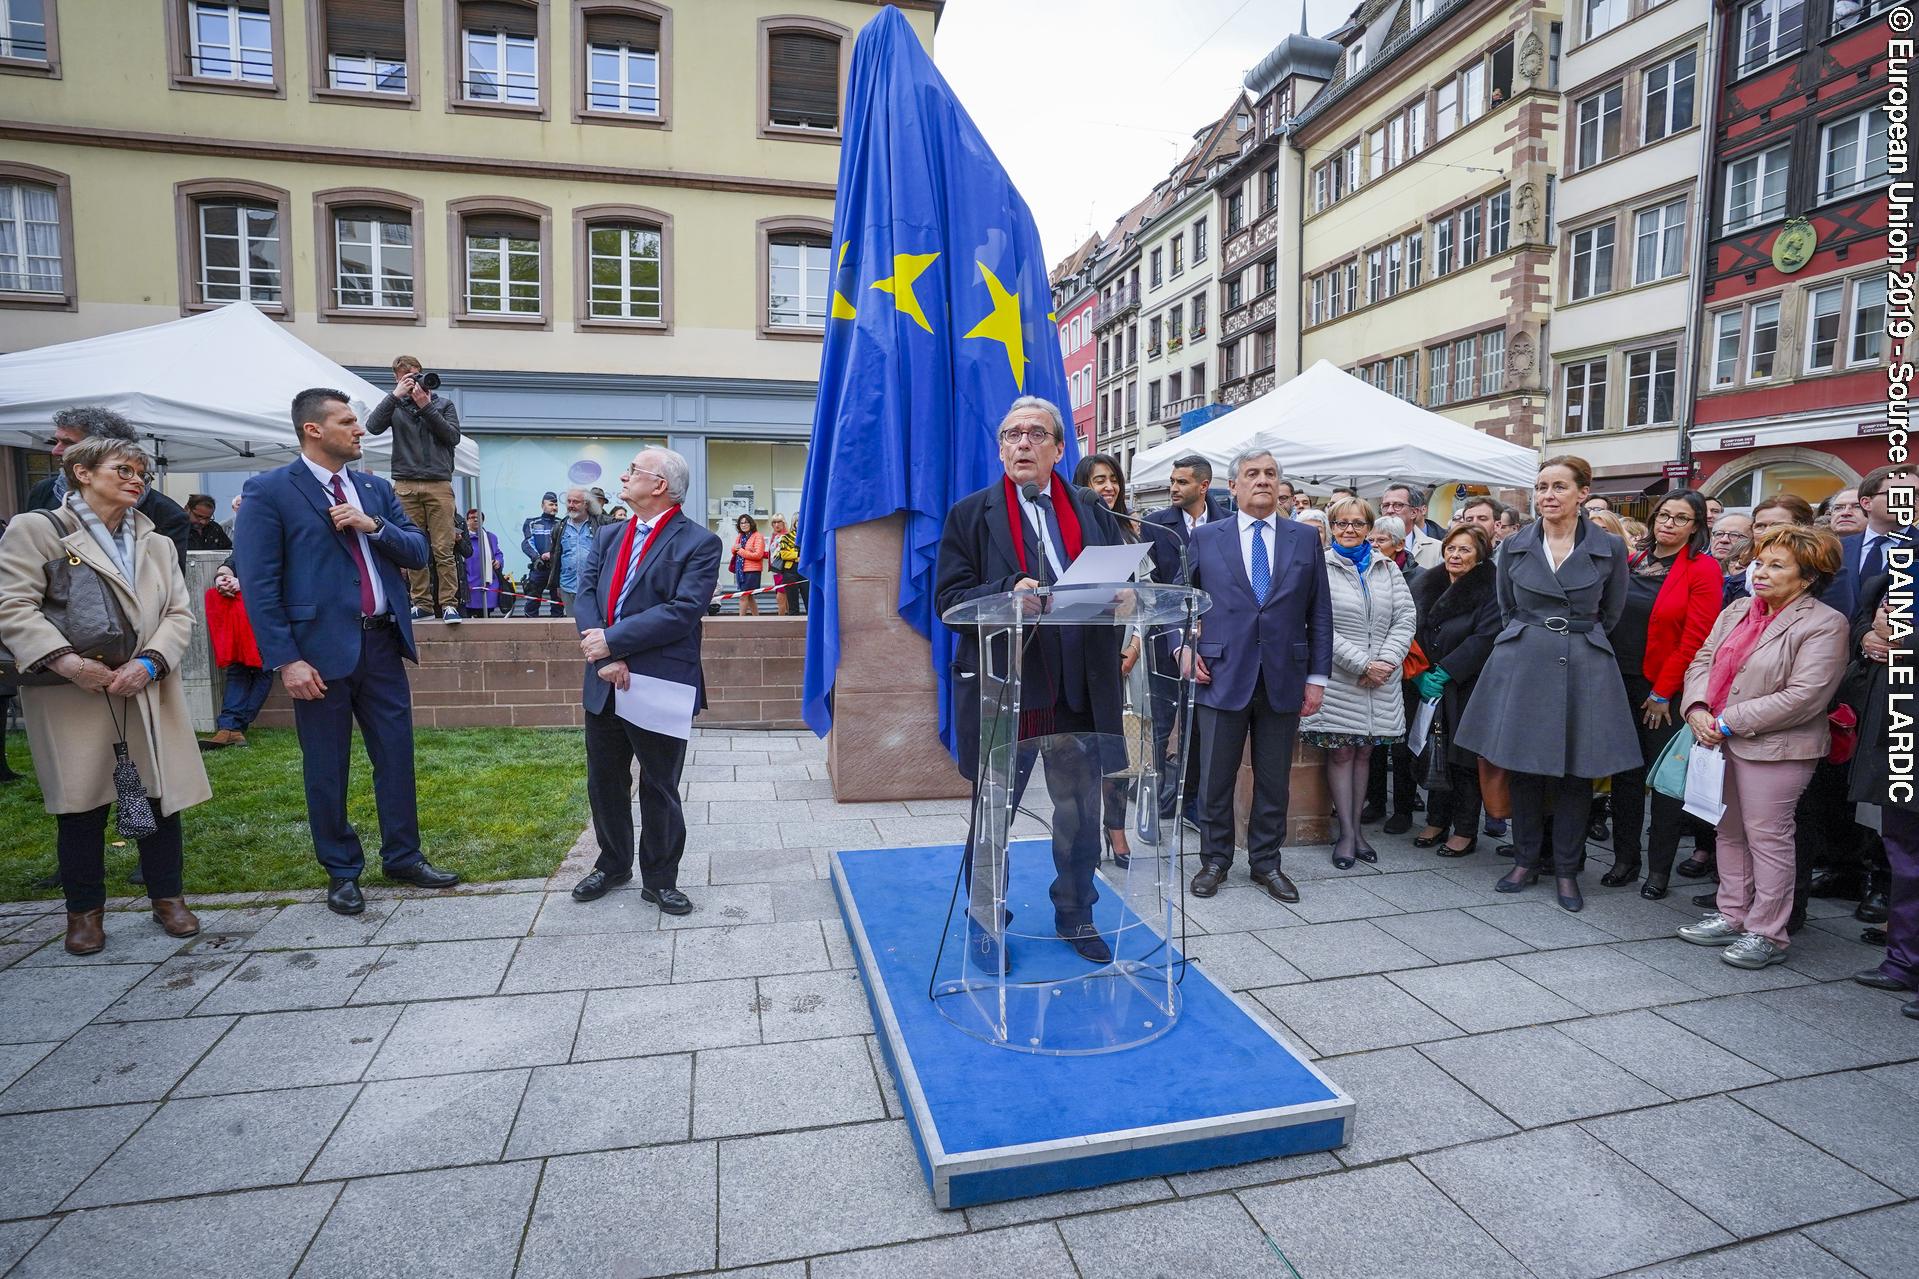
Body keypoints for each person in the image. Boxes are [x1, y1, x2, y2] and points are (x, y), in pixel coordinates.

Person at [234, 388, 460, 916]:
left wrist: (373, 525)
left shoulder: (374, 489)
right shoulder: (270, 491)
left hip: (381, 644)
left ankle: (403, 857)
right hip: (317, 656)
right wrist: (287, 659)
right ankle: (341, 870)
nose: (360, 430)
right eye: (348, 422)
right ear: (313, 429)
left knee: (396, 758)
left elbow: (419, 548)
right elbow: (259, 585)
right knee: (327, 766)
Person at [934, 396, 1127, 962]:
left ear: (1059, 449)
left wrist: (1123, 597)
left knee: (1078, 815)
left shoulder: (1092, 511)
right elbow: (948, 601)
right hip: (1009, 692)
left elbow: (1116, 582)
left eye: (1036, 434)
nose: (1023, 443)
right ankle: (986, 921)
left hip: (1079, 692)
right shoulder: (971, 514)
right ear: (1000, 448)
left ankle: (1076, 912)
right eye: (1013, 434)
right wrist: (1005, 595)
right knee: (994, 817)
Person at [0, 435, 209, 954]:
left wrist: (150, 662)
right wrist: (69, 664)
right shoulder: (39, 529)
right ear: (82, 472)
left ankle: (168, 898)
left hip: (145, 686)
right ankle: (85, 913)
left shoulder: (156, 541)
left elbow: (179, 614)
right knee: (81, 802)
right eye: (124, 469)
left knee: (160, 794)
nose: (137, 479)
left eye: (142, 472)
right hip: (69, 690)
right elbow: (11, 605)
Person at [1458, 455, 1640, 913]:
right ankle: (1524, 860)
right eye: (1541, 487)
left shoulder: (1610, 548)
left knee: (1576, 775)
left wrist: (1578, 641)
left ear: (1583, 492)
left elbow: (1612, 612)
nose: (1548, 496)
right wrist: (1533, 640)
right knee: (1522, 768)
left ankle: (1566, 869)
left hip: (1583, 664)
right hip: (1525, 660)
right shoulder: (1516, 545)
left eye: (1559, 486)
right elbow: (1506, 607)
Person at [1676, 526, 1849, 969]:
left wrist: (1726, 721)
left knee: (1769, 838)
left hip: (1778, 748)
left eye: (1777, 565)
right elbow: (1702, 658)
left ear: (1807, 577)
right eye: (1760, 562)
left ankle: (1768, 932)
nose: (1761, 572)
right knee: (1728, 830)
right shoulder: (1736, 610)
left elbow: (1805, 696)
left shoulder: (1824, 623)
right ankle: (1732, 913)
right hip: (1717, 737)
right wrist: (1695, 707)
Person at [569, 447, 720, 916]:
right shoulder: (608, 535)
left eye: (634, 470)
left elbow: (682, 611)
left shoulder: (699, 542)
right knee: (605, 782)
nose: (624, 475)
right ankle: (613, 864)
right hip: (605, 679)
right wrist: (603, 659)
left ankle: (660, 878)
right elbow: (586, 594)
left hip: (658, 683)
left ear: (660, 485)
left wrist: (613, 643)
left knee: (659, 785)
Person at [1184, 449, 1332, 905]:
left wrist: (1318, 678)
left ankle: (1266, 863)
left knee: (1273, 778)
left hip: (1284, 676)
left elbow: (1319, 613)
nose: (1262, 480)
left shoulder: (1304, 539)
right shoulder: (1207, 537)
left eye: (1270, 473)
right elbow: (1181, 602)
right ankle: (1214, 860)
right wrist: (1182, 648)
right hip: (1221, 672)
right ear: (1234, 486)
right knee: (1215, 778)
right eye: (1252, 474)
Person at [1599, 490, 1722, 899]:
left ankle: (1659, 871)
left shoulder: (1702, 569)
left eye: (1680, 518)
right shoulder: (1634, 560)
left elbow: (1695, 639)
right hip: (1619, 682)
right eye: (1664, 515)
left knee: (1665, 782)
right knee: (1626, 778)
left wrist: (1662, 692)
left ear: (1696, 526)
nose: (1668, 524)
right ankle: (1624, 860)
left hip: (1664, 689)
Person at [1301, 498, 1415, 868]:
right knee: (1342, 752)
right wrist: (1363, 663)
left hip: (1381, 679)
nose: (1350, 530)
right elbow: (1318, 623)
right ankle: (1348, 834)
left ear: (1369, 527)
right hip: (1341, 677)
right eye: (1342, 523)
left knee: (1366, 753)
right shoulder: (1321, 566)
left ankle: (1358, 831)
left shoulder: (1387, 568)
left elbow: (1405, 617)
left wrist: (1384, 662)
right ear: (1332, 527)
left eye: (1358, 523)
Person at [1847, 570, 1918, 1018]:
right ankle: (1904, 961)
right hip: (1901, 722)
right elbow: (1863, 622)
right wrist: (1872, 634)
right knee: (1905, 853)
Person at [1144, 453, 1228, 829]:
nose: (1173, 488)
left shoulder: (1229, 521)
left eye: (1182, 482)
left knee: (1198, 727)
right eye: (1172, 481)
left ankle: (1190, 800)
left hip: (1213, 646)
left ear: (1203, 486)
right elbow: (1152, 590)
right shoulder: (1154, 524)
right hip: (1166, 642)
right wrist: (1177, 642)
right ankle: (1159, 798)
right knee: (1161, 726)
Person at [1409, 525, 1502, 856]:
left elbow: (1486, 637)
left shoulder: (1491, 588)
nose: (1455, 555)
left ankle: (1464, 829)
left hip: (1467, 686)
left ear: (1480, 555)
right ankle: (1436, 820)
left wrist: (1448, 669)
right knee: (1433, 749)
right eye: (1451, 548)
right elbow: (1412, 627)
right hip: (1429, 682)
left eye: (1464, 550)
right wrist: (1421, 672)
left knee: (1462, 759)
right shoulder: (1427, 583)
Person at [1075, 452, 1147, 867]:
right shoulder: (1070, 531)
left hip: (1128, 656)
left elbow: (1147, 598)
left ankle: (1116, 828)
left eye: (1113, 480)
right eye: (1098, 480)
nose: (1108, 487)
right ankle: (1087, 828)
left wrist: (1134, 646)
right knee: (1088, 751)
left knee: (1122, 750)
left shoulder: (1131, 532)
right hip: (1088, 658)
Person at [365, 355, 464, 624]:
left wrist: (426, 406)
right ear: (397, 378)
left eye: (417, 373)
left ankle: (449, 605)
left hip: (439, 482)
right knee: (413, 545)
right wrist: (395, 396)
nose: (416, 379)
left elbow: (453, 437)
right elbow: (372, 427)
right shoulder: (395, 406)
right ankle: (422, 603)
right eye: (407, 375)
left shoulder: (443, 404)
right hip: (406, 482)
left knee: (442, 547)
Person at [30, 406, 192, 560]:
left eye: (68, 443)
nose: (55, 451)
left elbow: (168, 584)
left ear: (106, 449)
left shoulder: (166, 515)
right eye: (56, 442)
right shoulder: (43, 495)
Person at [201, 560, 271, 749]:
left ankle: (233, 726)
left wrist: (245, 583)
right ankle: (230, 727)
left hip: (266, 613)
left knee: (262, 669)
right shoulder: (249, 537)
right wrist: (222, 579)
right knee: (239, 668)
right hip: (241, 612)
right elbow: (231, 561)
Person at [553, 488, 602, 615]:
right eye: (569, 501)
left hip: (593, 587)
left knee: (593, 625)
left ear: (586, 504)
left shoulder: (599, 524)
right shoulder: (560, 527)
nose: (571, 505)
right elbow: (556, 558)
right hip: (567, 587)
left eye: (575, 502)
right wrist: (557, 584)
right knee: (571, 626)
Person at [520, 492, 563, 616]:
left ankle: (558, 634)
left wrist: (553, 556)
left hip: (556, 570)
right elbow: (527, 543)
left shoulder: (562, 523)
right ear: (542, 505)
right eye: (551, 504)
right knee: (532, 602)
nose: (554, 507)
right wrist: (537, 557)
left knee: (558, 604)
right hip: (539, 567)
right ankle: (531, 633)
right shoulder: (532, 522)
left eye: (556, 504)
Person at [1380, 483, 1441, 568]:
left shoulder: (1437, 549)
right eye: (1386, 505)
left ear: (1413, 513)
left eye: (1398, 505)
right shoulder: (1369, 547)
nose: (1389, 510)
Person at [462, 509, 505, 617]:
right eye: (472, 517)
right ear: (467, 521)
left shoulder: (491, 537)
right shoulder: (461, 538)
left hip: (487, 585)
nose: (476, 519)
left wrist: (498, 562)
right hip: (469, 584)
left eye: (479, 518)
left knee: (486, 617)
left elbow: (498, 553)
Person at [730, 514, 767, 616]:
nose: (744, 524)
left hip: (752, 571)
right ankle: (757, 618)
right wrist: (735, 549)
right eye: (741, 523)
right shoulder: (740, 536)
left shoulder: (758, 536)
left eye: (746, 522)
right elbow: (734, 549)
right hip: (741, 571)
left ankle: (740, 621)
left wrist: (740, 551)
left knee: (743, 596)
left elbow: (758, 555)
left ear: (751, 523)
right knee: (749, 596)